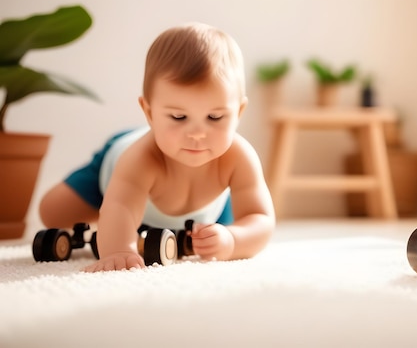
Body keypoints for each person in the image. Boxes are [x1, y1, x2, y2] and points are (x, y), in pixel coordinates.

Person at [38, 23, 275, 272]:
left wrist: (232, 239)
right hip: (112, 172)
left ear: (238, 113)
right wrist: (118, 249)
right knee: (54, 212)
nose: (196, 134)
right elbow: (121, 206)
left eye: (215, 118)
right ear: (149, 112)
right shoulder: (140, 158)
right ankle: (110, 218)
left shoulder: (239, 158)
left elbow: (259, 219)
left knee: (218, 233)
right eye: (178, 117)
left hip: (204, 213)